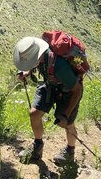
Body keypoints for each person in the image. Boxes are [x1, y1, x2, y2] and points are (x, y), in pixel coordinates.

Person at [13, 35, 83, 166]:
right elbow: (36, 63)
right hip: (50, 84)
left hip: (68, 91)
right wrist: (26, 71)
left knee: (68, 124)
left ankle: (70, 152)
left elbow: (77, 90)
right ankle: (37, 146)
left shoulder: (59, 66)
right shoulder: (39, 56)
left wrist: (65, 115)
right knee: (34, 114)